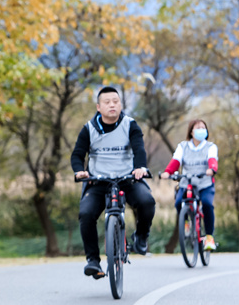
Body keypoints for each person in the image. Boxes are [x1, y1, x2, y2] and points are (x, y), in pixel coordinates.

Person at [71, 86, 156, 279]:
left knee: (147, 201)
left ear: (121, 104)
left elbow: (139, 149)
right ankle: (93, 260)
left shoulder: (130, 124)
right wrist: (79, 171)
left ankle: (141, 237)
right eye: (107, 102)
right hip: (99, 181)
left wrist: (140, 167)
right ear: (98, 107)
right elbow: (77, 154)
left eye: (115, 101)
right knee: (85, 213)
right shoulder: (89, 128)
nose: (112, 105)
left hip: (127, 179)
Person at [160, 119, 218, 251]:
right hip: (187, 182)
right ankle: (186, 222)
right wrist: (168, 172)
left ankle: (209, 237)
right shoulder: (183, 146)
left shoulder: (210, 147)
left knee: (207, 205)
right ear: (191, 131)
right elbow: (176, 161)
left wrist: (212, 169)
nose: (201, 130)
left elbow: (212, 160)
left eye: (204, 127)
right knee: (178, 202)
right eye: (198, 128)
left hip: (205, 183)